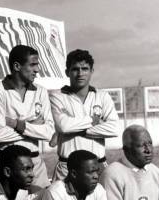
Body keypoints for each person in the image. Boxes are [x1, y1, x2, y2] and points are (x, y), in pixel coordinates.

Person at [0, 45, 54, 188]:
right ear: (17, 66)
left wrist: (17, 124)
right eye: (32, 65)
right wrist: (34, 127)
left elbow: (49, 132)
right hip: (7, 164)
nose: (37, 69)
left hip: (34, 161)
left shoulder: (40, 91)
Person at [49, 49, 119, 181]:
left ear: (92, 71)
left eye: (85, 69)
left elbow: (114, 128)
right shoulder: (57, 96)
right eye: (75, 69)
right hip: (67, 167)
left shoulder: (102, 96)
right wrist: (93, 120)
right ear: (67, 72)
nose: (80, 73)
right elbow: (63, 126)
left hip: (98, 165)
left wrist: (77, 130)